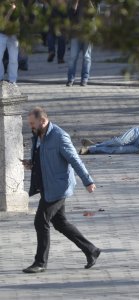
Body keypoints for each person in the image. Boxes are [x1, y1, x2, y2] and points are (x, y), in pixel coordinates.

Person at [21, 107, 101, 274]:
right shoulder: (37, 136)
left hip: (58, 187)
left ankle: (40, 262)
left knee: (40, 221)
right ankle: (91, 250)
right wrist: (31, 164)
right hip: (46, 185)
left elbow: (74, 159)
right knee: (60, 223)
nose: (31, 126)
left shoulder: (59, 136)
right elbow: (42, 158)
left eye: (32, 123)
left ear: (43, 121)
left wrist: (88, 180)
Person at [66, 0, 101, 87]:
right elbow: (70, 16)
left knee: (86, 57)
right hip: (76, 33)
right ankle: (70, 79)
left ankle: (84, 79)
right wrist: (75, 3)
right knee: (73, 57)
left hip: (88, 33)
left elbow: (95, 14)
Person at [0, 1, 20, 85]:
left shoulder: (18, 6)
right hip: (2, 34)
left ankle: (12, 80)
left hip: (13, 35)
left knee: (13, 59)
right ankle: (0, 78)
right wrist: (10, 10)